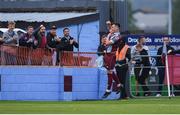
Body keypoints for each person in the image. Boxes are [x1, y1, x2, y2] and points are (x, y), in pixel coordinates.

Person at [102, 23, 122, 98]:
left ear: (117, 28)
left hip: (112, 55)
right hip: (107, 54)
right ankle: (119, 85)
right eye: (111, 27)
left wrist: (108, 35)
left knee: (109, 72)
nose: (111, 28)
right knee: (110, 71)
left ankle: (108, 90)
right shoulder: (112, 34)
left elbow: (107, 43)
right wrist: (109, 28)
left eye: (113, 27)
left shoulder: (117, 36)